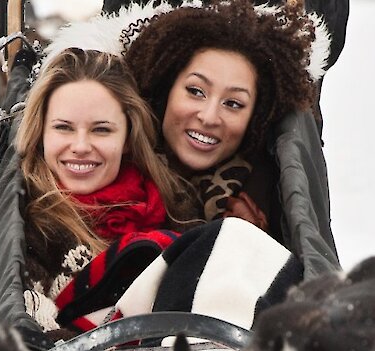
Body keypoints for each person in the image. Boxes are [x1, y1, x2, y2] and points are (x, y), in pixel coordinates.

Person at [17, 47, 193, 334]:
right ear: (41, 134)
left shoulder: (171, 205)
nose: (81, 146)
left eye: (101, 130)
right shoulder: (27, 225)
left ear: (127, 138)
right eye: (63, 127)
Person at [121, 0, 321, 237]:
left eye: (233, 103)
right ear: (166, 89)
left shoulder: (271, 204)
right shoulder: (105, 166)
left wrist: (251, 245)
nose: (209, 117)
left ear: (255, 118)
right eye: (196, 91)